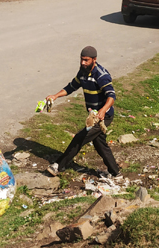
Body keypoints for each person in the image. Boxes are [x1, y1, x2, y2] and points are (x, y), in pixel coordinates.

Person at [45, 46, 121, 179]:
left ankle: (58, 165)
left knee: (80, 138)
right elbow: (71, 87)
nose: (83, 63)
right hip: (93, 115)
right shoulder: (83, 72)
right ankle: (115, 172)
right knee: (100, 144)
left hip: (103, 116)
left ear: (94, 59)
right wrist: (55, 96)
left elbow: (111, 96)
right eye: (81, 59)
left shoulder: (101, 75)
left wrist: (102, 111)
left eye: (86, 60)